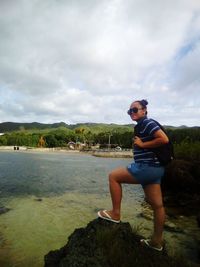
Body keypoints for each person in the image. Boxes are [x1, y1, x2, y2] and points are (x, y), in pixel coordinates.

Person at [97, 99, 169, 252]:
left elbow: (163, 139)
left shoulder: (148, 123)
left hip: (146, 168)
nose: (132, 113)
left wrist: (142, 145)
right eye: (129, 111)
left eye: (135, 110)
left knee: (113, 177)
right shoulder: (141, 126)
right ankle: (157, 241)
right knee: (157, 205)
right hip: (156, 170)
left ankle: (115, 213)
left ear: (144, 110)